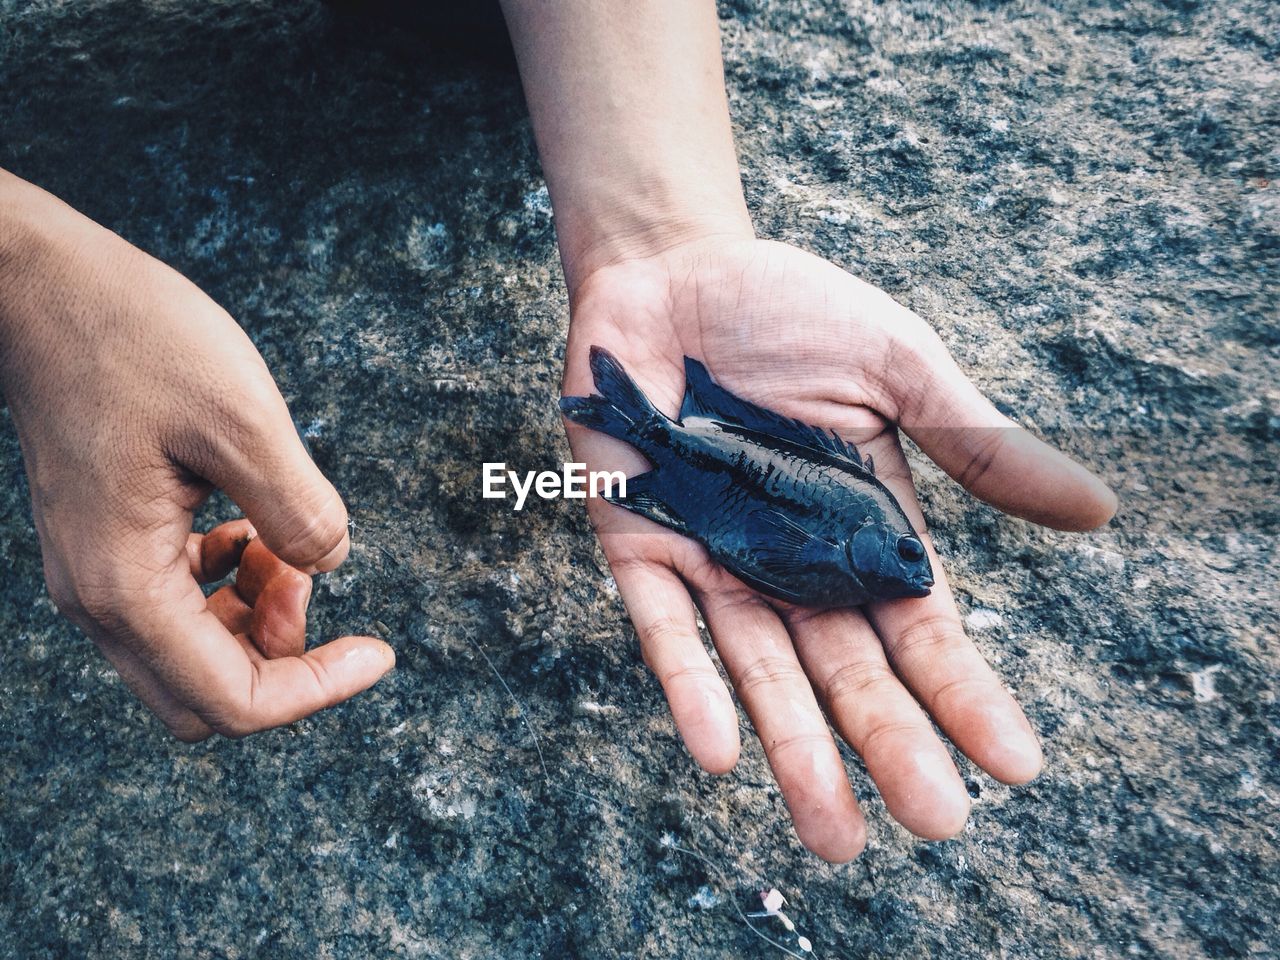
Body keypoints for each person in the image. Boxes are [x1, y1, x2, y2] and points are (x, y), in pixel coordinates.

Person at [0, 0, 1116, 863]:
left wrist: (660, 227)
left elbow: (770, 511)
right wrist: (31, 277)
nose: (901, 565)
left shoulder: (857, 539)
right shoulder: (855, 541)